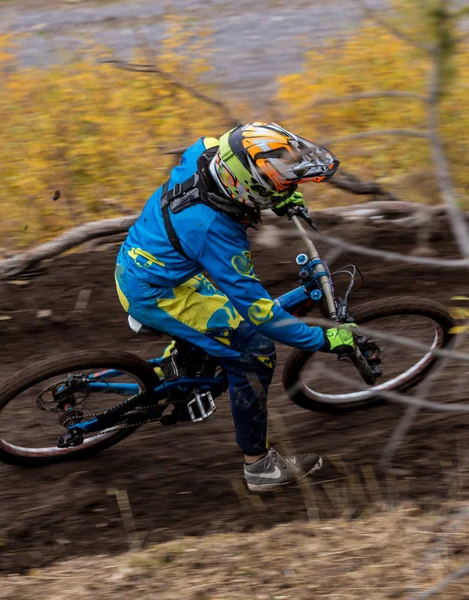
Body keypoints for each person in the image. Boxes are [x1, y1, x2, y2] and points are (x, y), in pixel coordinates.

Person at [115, 122, 356, 491]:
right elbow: (260, 312)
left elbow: (237, 158)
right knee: (255, 351)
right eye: (280, 184)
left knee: (230, 322)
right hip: (157, 292)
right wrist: (324, 340)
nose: (287, 188)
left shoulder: (207, 153)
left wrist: (278, 196)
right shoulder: (215, 231)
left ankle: (188, 355)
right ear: (249, 186)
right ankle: (259, 467)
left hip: (147, 262)